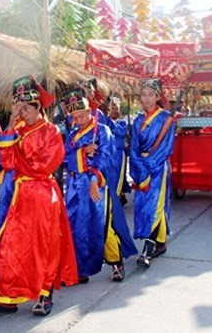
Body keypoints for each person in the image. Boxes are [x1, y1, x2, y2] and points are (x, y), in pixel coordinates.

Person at [0, 75, 78, 317]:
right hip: (20, 193)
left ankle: (45, 294)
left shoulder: (51, 131)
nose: (22, 112)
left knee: (43, 246)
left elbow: (44, 165)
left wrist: (17, 158)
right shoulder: (18, 129)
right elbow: (6, 162)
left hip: (43, 194)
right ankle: (6, 297)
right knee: (10, 246)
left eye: (26, 108)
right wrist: (11, 127)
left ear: (38, 107)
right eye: (18, 108)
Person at [63, 88, 137, 283]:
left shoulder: (102, 130)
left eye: (82, 115)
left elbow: (105, 157)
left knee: (101, 225)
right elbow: (64, 155)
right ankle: (82, 268)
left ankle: (116, 261)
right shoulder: (72, 134)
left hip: (95, 184)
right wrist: (82, 151)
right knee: (76, 227)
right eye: (75, 117)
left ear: (90, 111)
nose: (79, 120)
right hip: (74, 186)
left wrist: (94, 179)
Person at [130, 79, 175, 269]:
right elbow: (133, 147)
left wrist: (148, 164)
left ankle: (147, 250)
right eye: (143, 94)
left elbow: (166, 147)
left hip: (157, 167)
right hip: (141, 167)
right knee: (143, 206)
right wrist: (138, 167)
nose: (146, 99)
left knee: (154, 206)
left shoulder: (166, 118)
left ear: (158, 96)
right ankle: (161, 242)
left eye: (151, 94)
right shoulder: (138, 120)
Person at [106, 96, 131, 205]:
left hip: (119, 154)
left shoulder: (122, 123)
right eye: (113, 108)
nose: (116, 111)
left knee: (118, 176)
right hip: (108, 154)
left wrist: (108, 121)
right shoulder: (105, 123)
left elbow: (120, 132)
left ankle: (116, 197)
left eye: (117, 109)